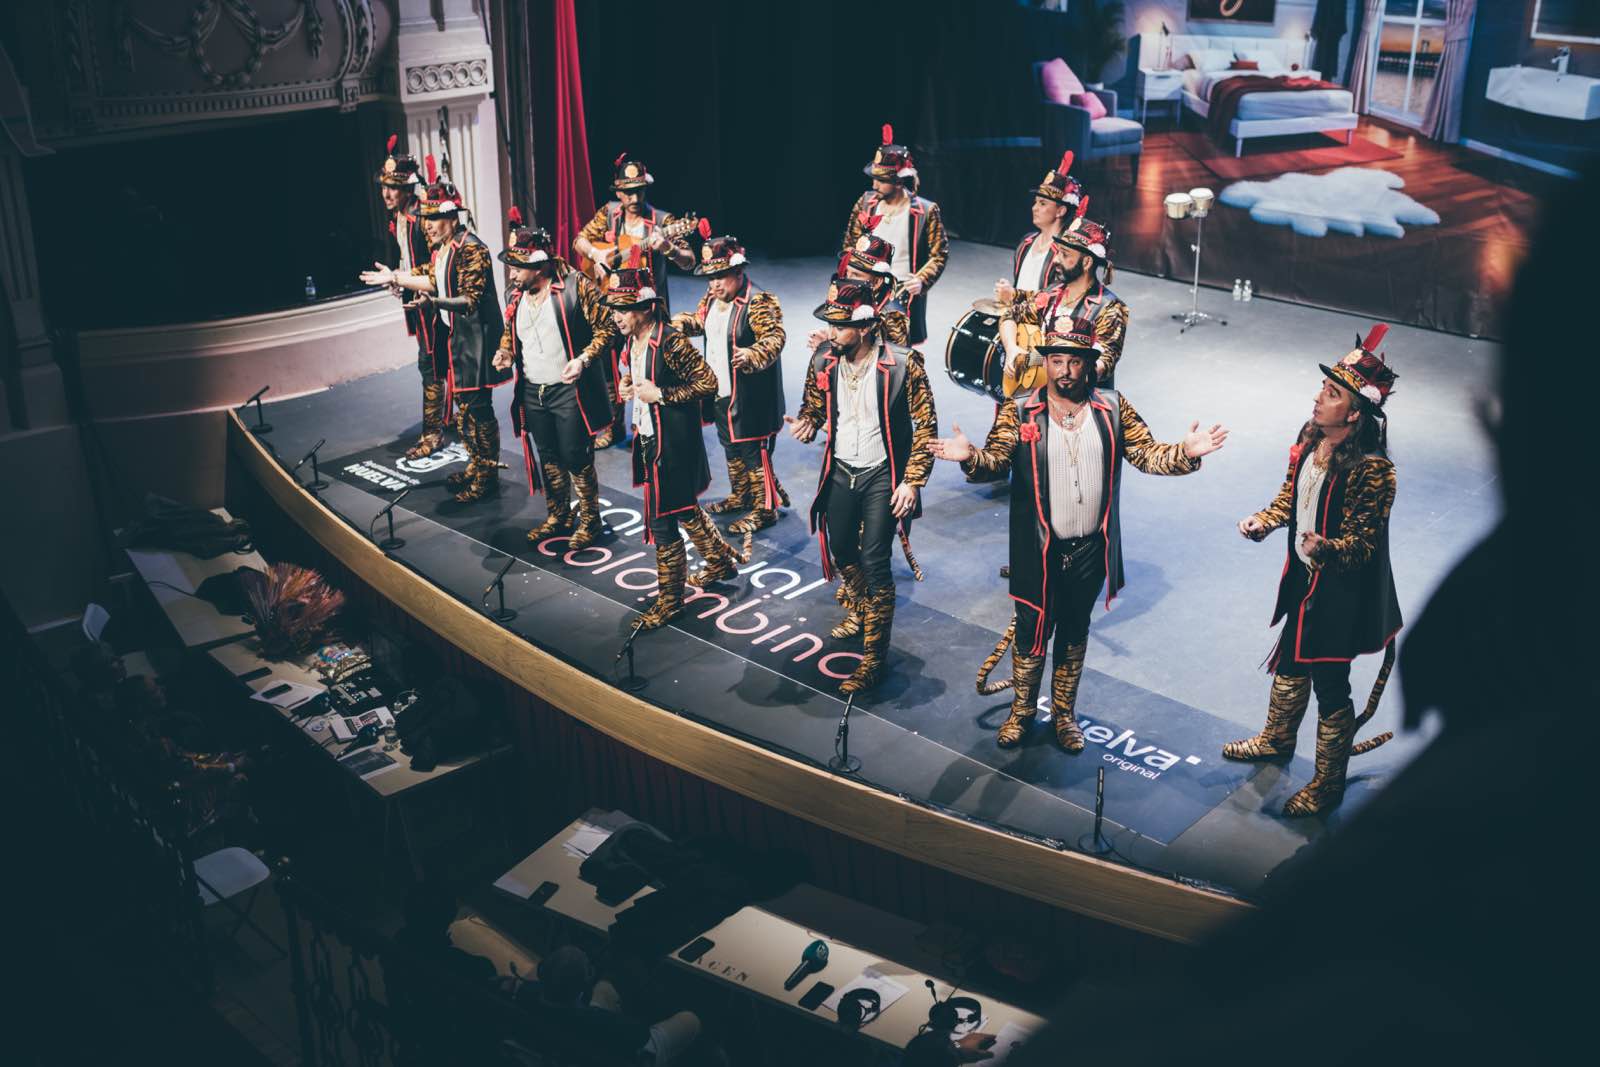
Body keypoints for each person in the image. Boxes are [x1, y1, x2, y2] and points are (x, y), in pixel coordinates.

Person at [930, 322, 1227, 749]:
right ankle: (1022, 711)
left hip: (1091, 548)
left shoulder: (1113, 407)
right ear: (1045, 362)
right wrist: (970, 457)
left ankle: (1064, 717)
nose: (1065, 371)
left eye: (1074, 361)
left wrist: (1184, 454)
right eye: (1056, 361)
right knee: (1032, 634)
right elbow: (995, 461)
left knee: (1073, 633)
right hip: (1037, 551)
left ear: (1090, 365)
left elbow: (1146, 454)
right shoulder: (1019, 410)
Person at [1226, 325, 1403, 816]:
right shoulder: (1310, 438)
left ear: (1354, 411)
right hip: (1302, 581)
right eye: (1322, 389)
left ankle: (1327, 784)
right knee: (1288, 663)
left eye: (1330, 394)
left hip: (1338, 594)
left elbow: (1363, 546)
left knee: (1330, 685)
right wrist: (1265, 520)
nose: (1317, 399)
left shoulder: (1373, 469)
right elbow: (1292, 495)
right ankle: (1277, 739)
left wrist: (1327, 549)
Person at [788, 278, 937, 693]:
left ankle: (874, 657)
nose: (831, 332)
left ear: (867, 326)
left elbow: (926, 427)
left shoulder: (904, 365)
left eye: (840, 325)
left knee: (874, 561)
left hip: (881, 473)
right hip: (840, 469)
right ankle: (862, 607)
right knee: (841, 552)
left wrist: (912, 480)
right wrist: (807, 423)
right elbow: (813, 408)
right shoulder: (823, 360)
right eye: (830, 324)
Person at [604, 252, 749, 630]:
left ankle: (671, 600)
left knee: (663, 522)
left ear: (647, 307)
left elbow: (708, 383)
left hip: (673, 446)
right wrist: (630, 387)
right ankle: (718, 559)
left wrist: (661, 395)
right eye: (614, 308)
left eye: (625, 308)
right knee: (683, 509)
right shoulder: (632, 339)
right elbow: (641, 380)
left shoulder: (671, 342)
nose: (617, 315)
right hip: (649, 439)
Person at [360, 157, 509, 502]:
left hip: (476, 345)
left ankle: (486, 476)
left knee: (478, 411)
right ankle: (476, 466)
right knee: (464, 412)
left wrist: (433, 302)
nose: (425, 226)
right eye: (424, 219)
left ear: (451, 218)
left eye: (433, 219)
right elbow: (427, 275)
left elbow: (469, 300)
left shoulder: (472, 249)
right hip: (459, 342)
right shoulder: (444, 249)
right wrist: (395, 277)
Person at [490, 213, 615, 550]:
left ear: (541, 266)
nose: (511, 272)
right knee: (548, 455)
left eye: (518, 266)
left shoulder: (575, 286)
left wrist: (584, 359)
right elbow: (511, 333)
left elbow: (609, 327)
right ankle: (559, 514)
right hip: (533, 389)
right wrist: (506, 352)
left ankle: (591, 520)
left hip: (569, 390)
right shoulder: (514, 295)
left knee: (576, 456)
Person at [669, 222, 792, 535]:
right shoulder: (711, 299)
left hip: (752, 397)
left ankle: (765, 510)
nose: (713, 284)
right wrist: (679, 324)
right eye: (710, 277)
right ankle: (741, 496)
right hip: (721, 390)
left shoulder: (759, 301)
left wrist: (752, 355)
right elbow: (700, 323)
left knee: (754, 453)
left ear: (739, 272)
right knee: (730, 446)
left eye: (720, 276)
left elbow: (775, 338)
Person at [574, 153, 697, 448]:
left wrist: (667, 246)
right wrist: (597, 255)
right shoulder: (609, 214)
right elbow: (579, 240)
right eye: (627, 191)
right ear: (618, 192)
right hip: (612, 304)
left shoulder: (663, 221)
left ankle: (653, 426)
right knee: (607, 364)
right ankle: (612, 425)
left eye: (639, 190)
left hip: (647, 309)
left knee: (653, 366)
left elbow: (690, 261)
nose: (633, 196)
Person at [839, 125, 948, 345]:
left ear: (898, 181)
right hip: (864, 288)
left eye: (881, 179)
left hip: (900, 293)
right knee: (857, 347)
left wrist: (921, 280)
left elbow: (939, 254)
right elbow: (849, 245)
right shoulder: (866, 203)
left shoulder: (925, 212)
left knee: (894, 355)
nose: (874, 184)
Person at [372, 134, 444, 459]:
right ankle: (444, 419)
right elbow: (410, 261)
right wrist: (398, 278)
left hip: (436, 303)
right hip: (417, 298)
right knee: (432, 363)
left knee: (430, 364)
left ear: (408, 188)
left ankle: (433, 434)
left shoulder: (420, 219)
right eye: (385, 185)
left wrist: (404, 279)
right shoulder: (399, 216)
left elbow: (437, 266)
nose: (387, 193)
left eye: (394, 187)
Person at [998, 214, 1126, 390]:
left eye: (1064, 254)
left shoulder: (1108, 308)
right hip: (1042, 395)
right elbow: (1010, 314)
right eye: (1057, 252)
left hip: (1080, 406)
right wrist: (1012, 349)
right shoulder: (1053, 293)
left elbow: (1104, 361)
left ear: (1087, 262)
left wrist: (1059, 366)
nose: (1056, 259)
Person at [805, 230, 912, 353]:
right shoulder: (855, 300)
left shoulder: (893, 318)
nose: (847, 279)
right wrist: (830, 338)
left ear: (877, 282)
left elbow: (889, 365)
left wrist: (828, 348)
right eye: (847, 272)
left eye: (856, 275)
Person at [998, 151, 1085, 300]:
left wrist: (1015, 295)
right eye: (1036, 202)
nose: (1034, 208)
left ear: (1060, 211)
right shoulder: (1026, 243)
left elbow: (1058, 298)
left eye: (1042, 203)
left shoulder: (1064, 254)